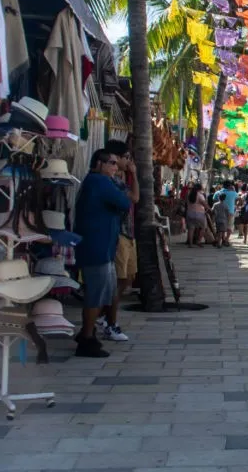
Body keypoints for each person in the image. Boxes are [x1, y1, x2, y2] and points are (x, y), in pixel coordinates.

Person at [73, 149, 131, 358]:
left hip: (100, 246)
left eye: (117, 163)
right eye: (112, 163)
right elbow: (125, 202)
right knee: (96, 295)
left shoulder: (96, 182)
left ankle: (87, 333)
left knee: (100, 292)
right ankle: (87, 339)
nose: (116, 168)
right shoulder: (100, 181)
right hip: (96, 247)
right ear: (99, 163)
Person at [97, 140, 138, 343]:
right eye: (126, 158)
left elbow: (134, 197)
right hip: (117, 234)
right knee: (115, 282)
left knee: (127, 278)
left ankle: (104, 315)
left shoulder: (118, 180)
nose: (126, 162)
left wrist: (133, 175)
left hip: (127, 233)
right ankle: (105, 319)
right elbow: (131, 199)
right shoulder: (107, 181)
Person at [186, 183, 208, 247]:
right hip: (199, 214)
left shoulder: (188, 194)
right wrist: (208, 209)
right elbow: (204, 204)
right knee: (203, 227)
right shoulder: (200, 195)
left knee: (191, 229)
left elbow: (186, 202)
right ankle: (199, 241)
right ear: (200, 188)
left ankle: (190, 243)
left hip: (189, 213)